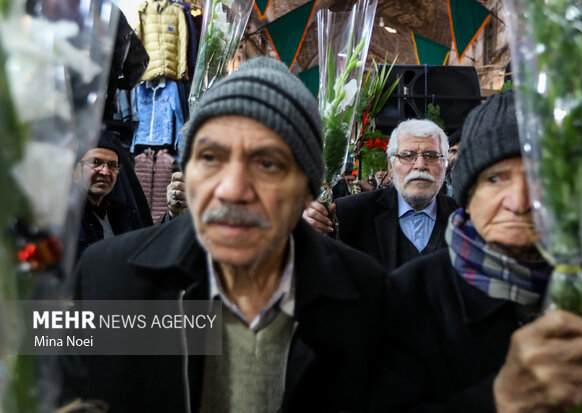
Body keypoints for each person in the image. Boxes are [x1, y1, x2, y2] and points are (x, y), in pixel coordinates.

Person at [63, 57, 385, 413]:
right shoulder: (111, 278)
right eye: (211, 158)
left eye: (267, 164)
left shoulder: (367, 296)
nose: (232, 189)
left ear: (307, 190)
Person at [371, 91, 582, 412]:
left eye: (539, 177)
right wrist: (499, 399)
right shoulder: (407, 298)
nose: (519, 201)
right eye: (495, 178)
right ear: (468, 196)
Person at [304, 119, 458, 271]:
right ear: (391, 166)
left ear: (444, 167)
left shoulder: (465, 218)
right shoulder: (348, 214)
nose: (420, 165)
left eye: (431, 156)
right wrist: (307, 230)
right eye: (407, 155)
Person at [73, 132, 142, 259]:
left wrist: (170, 215)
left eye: (112, 165)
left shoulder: (122, 214)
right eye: (95, 162)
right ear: (75, 170)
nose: (105, 172)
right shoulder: (66, 216)